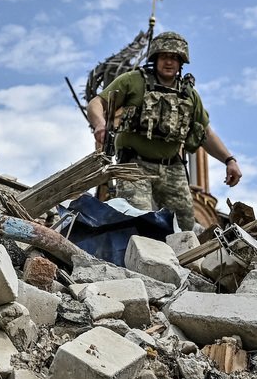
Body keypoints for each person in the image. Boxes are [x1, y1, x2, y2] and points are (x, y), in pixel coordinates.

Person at [84, 31, 242, 231]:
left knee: (185, 227)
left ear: (181, 63)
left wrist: (230, 161)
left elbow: (206, 134)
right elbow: (97, 103)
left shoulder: (189, 94)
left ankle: (184, 262)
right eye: (165, 56)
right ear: (156, 58)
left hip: (172, 169)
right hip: (134, 165)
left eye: (175, 58)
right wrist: (100, 124)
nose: (170, 62)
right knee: (138, 218)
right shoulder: (133, 81)